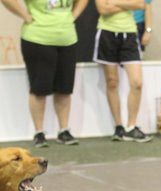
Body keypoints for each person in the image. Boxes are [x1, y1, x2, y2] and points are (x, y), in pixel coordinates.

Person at [1, 0, 88, 147]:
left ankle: (64, 130)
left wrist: (74, 15)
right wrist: (25, 15)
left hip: (67, 39)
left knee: (64, 89)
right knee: (39, 89)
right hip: (37, 39)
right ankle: (39, 132)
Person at [94, 0, 152, 142]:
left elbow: (140, 5)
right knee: (112, 82)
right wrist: (127, 4)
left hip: (129, 34)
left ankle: (131, 126)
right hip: (107, 33)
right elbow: (103, 9)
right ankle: (119, 126)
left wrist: (114, 2)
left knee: (137, 82)